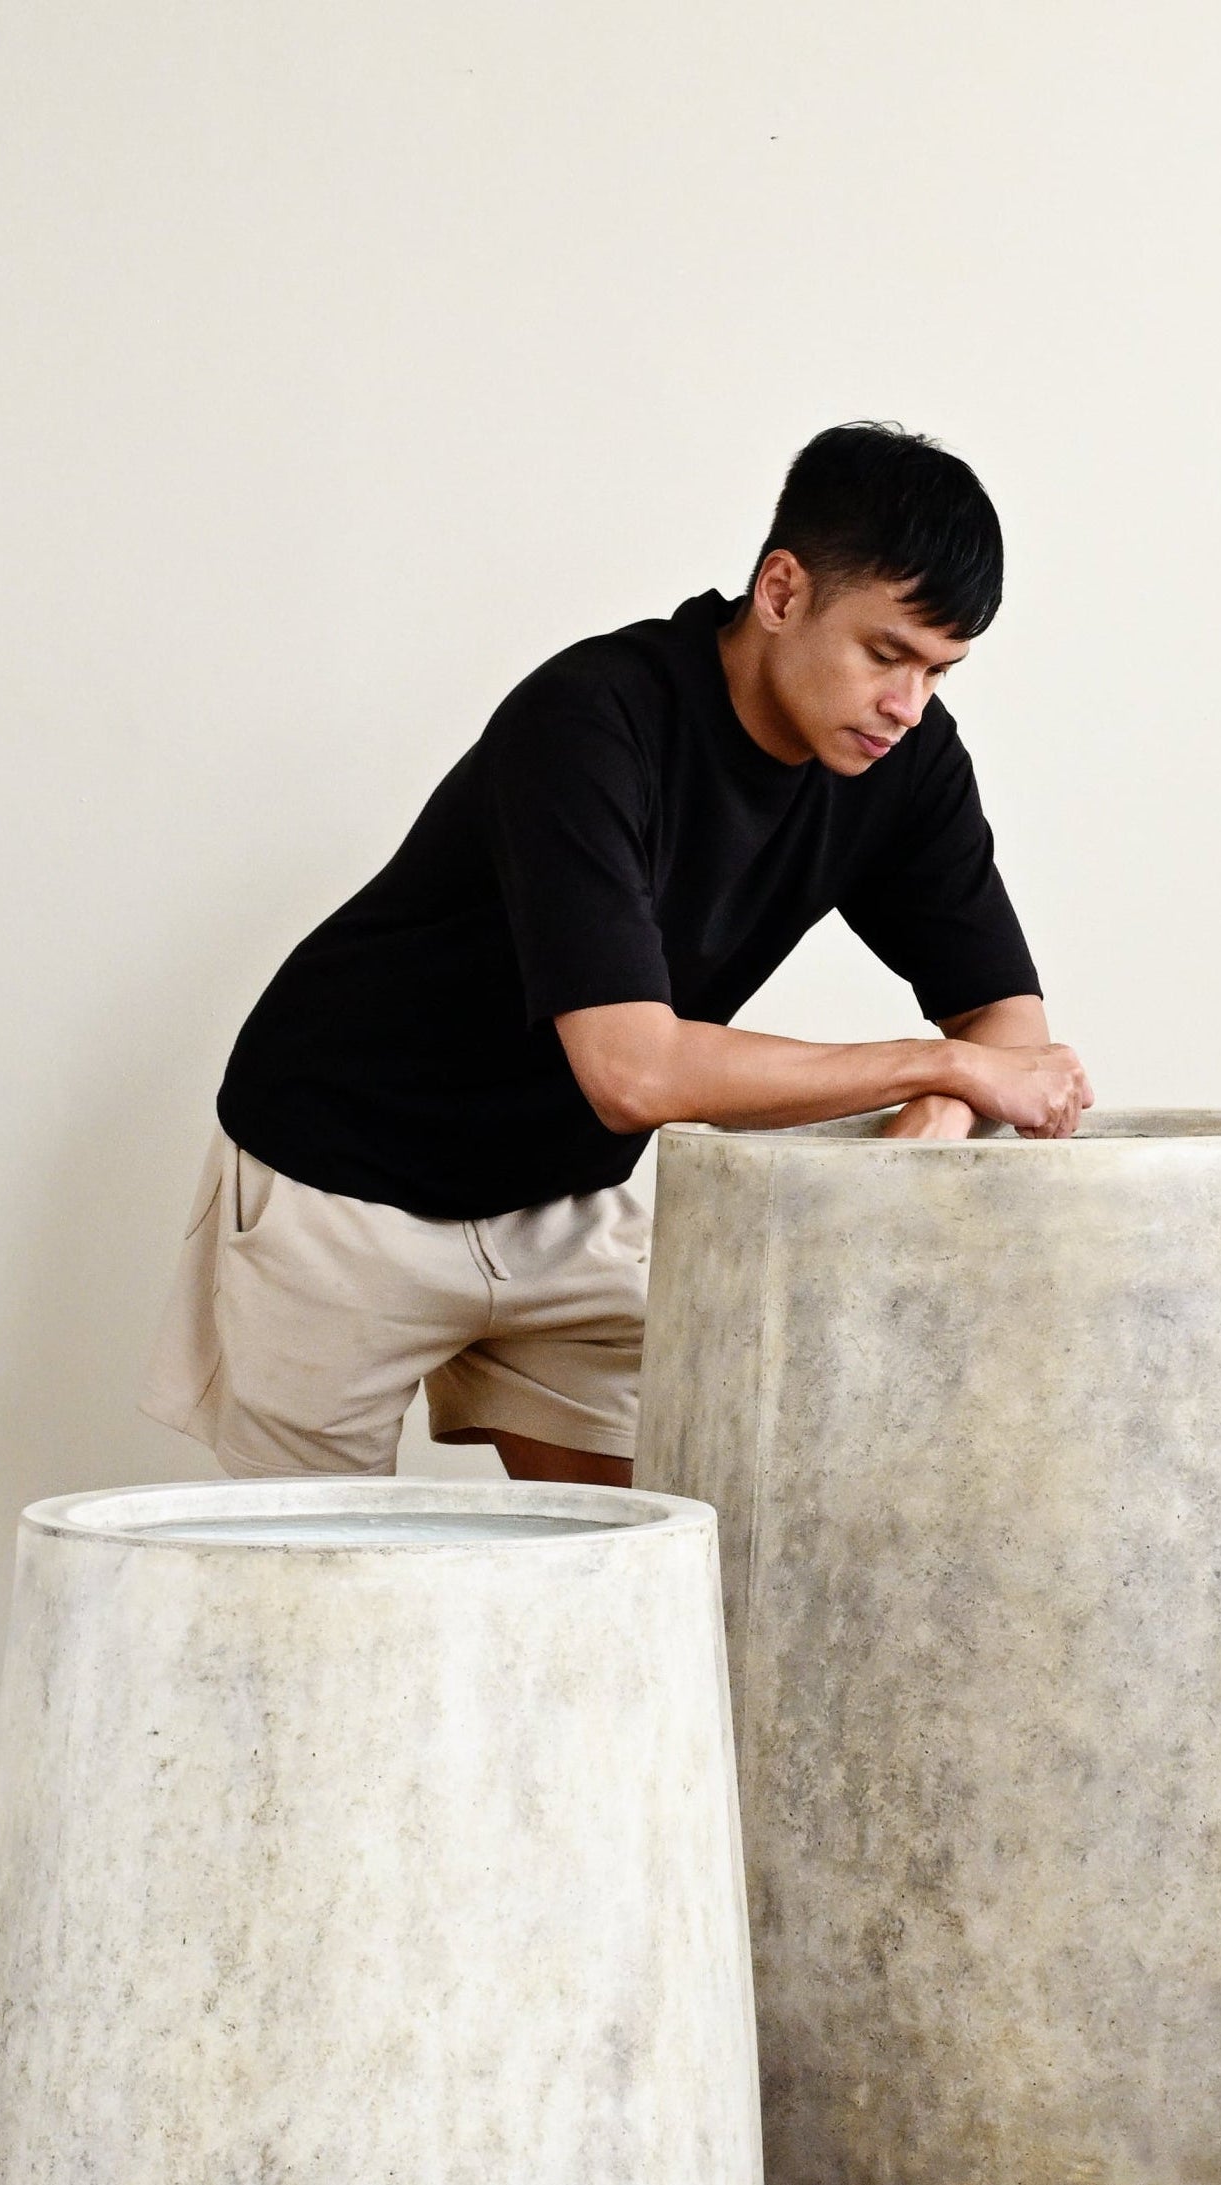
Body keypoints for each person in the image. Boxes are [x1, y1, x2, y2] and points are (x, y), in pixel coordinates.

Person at [141, 423, 1091, 1485]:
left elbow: (1006, 1023)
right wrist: (937, 1067)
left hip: (565, 1202)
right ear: (781, 592)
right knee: (321, 1611)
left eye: (939, 673)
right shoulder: (592, 718)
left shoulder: (903, 763)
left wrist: (944, 1114)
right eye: (886, 654)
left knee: (648, 1570)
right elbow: (630, 1072)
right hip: (341, 1182)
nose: (906, 706)